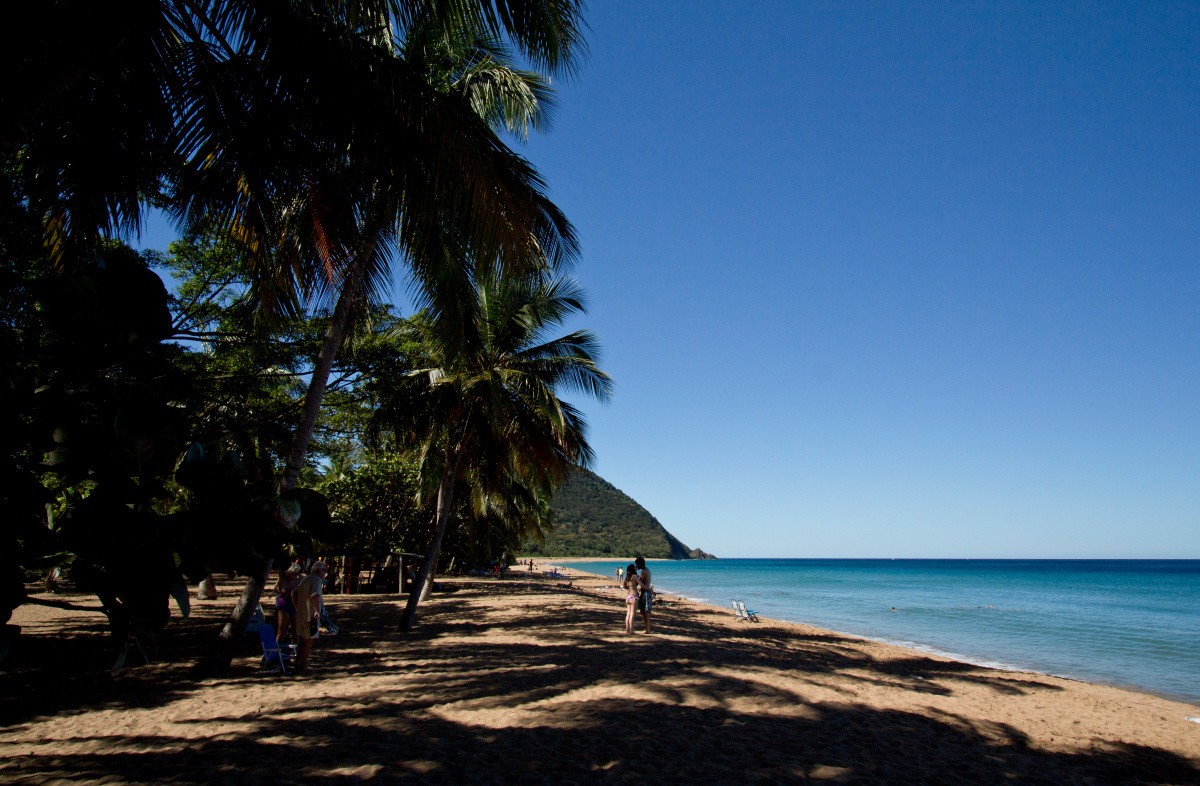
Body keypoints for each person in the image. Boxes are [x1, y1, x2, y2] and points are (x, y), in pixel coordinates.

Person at [292, 561, 327, 672]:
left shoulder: (305, 579)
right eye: (324, 571)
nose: (324, 573)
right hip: (310, 616)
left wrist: (297, 607)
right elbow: (315, 595)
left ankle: (297, 664)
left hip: (301, 615)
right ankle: (302, 666)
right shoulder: (316, 580)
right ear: (319, 571)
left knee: (301, 642)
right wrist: (317, 611)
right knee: (308, 642)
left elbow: (294, 593)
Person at [273, 564, 302, 643]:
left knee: (296, 630)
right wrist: (295, 594)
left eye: (297, 574)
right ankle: (276, 649)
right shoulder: (283, 580)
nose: (296, 576)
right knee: (281, 631)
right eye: (294, 574)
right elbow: (284, 593)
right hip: (284, 606)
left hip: (295, 605)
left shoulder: (300, 579)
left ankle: (297, 650)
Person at [635, 556, 653, 634]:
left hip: (645, 592)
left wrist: (635, 575)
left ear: (640, 564)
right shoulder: (647, 570)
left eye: (637, 564)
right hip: (647, 591)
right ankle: (647, 629)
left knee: (645, 612)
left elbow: (641, 583)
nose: (637, 566)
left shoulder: (643, 571)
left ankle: (647, 629)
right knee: (644, 611)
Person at [622, 563, 639, 634]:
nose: (636, 567)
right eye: (635, 567)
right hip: (634, 596)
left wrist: (629, 587)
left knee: (628, 613)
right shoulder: (635, 576)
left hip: (628, 596)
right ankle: (632, 630)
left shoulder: (627, 577)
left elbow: (624, 586)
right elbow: (641, 584)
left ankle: (627, 629)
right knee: (632, 614)